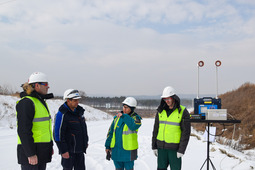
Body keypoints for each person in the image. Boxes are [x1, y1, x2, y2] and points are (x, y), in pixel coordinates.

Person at [16, 72, 54, 170]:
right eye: (45, 84)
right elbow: (23, 130)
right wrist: (30, 153)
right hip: (31, 155)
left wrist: (49, 146)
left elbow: (44, 128)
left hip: (41, 151)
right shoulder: (27, 102)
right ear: (37, 85)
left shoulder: (40, 101)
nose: (48, 87)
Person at [152, 86, 191, 170]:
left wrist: (181, 150)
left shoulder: (183, 111)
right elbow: (155, 129)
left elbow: (186, 133)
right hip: (161, 148)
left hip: (175, 149)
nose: (167, 101)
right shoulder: (160, 111)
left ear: (174, 98)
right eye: (165, 99)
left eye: (168, 98)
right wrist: (154, 146)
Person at [53, 89, 89, 170]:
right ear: (68, 100)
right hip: (68, 151)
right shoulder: (62, 114)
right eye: (75, 100)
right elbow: (57, 134)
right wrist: (63, 150)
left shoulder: (80, 112)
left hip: (79, 150)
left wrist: (85, 142)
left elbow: (83, 129)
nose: (77, 102)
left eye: (78, 100)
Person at [105, 97, 142, 170]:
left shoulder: (136, 119)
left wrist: (124, 116)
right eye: (123, 107)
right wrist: (107, 146)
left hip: (128, 153)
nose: (124, 109)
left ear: (132, 108)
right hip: (116, 151)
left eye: (127, 107)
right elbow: (110, 133)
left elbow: (133, 126)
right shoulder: (116, 118)